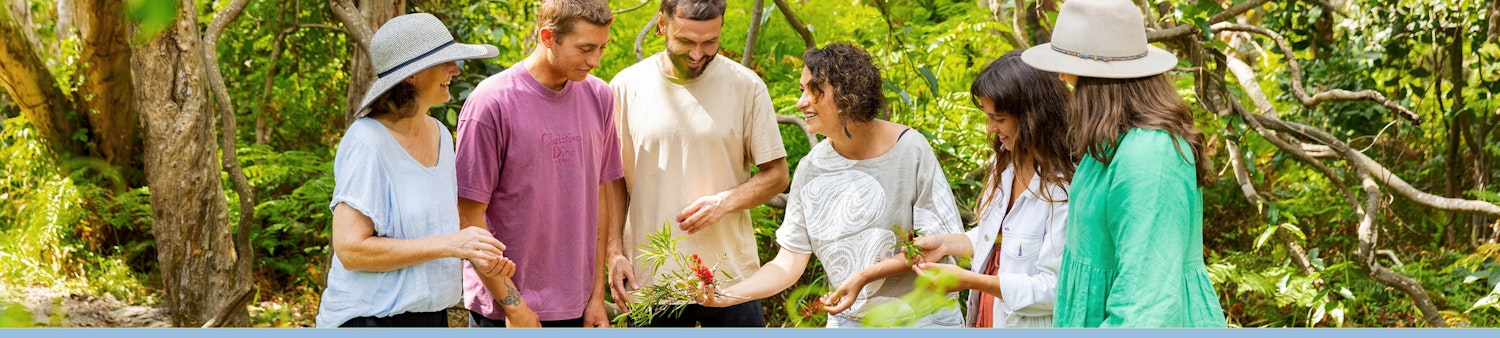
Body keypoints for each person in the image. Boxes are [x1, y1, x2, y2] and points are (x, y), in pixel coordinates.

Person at [696, 43, 964, 328]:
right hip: (849, 321)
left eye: (813, 90)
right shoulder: (811, 169)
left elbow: (932, 246)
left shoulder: (910, 150)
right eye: (802, 90)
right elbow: (788, 263)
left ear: (848, 94)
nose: (801, 102)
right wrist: (727, 295)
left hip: (924, 319)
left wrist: (864, 276)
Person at [1018, 0, 1227, 327]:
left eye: (1071, 76)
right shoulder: (1108, 145)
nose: (1061, 78)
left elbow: (1146, 303)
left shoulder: (1151, 155)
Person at [317, 13, 511, 328]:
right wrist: (450, 244)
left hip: (431, 317)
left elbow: (437, 233)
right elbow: (351, 249)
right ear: (412, 75)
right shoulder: (367, 141)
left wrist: (480, 254)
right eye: (445, 62)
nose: (456, 70)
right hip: (369, 319)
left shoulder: (440, 135)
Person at [606, 0, 789, 327]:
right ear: (662, 24)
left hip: (732, 279)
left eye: (710, 42)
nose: (697, 53)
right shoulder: (624, 87)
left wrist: (725, 201)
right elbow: (613, 181)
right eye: (686, 41)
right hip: (652, 282)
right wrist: (614, 252)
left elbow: (777, 176)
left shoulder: (747, 87)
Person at [455, 0, 619, 328]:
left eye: (602, 47)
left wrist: (596, 297)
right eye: (585, 48)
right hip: (506, 312)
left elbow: (599, 198)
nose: (595, 60)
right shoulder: (491, 102)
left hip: (579, 308)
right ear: (547, 37)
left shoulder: (599, 96)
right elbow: (468, 217)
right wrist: (515, 307)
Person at [899, 51, 1073, 328]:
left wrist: (970, 280)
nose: (991, 128)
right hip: (988, 318)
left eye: (1000, 119)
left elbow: (1056, 289)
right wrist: (947, 243)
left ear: (1034, 117)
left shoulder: (1063, 188)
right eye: (988, 117)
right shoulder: (1006, 164)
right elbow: (1001, 237)